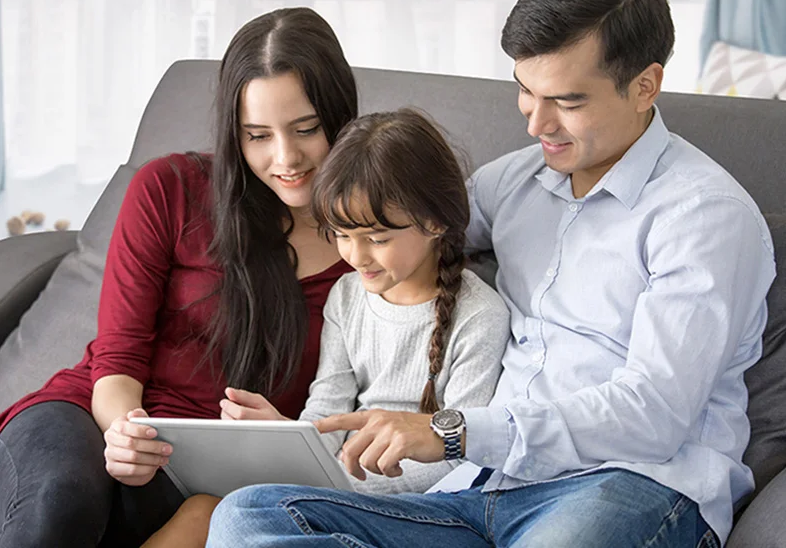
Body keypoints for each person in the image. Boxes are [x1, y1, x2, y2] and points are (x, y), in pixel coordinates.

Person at [205, 0, 776, 548]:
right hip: (480, 493)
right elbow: (398, 232)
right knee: (248, 517)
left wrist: (451, 432)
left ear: (645, 86)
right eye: (526, 90)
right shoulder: (518, 182)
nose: (536, 122)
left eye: (568, 101)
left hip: (628, 487)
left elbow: (653, 416)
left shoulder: (706, 217)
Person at [0, 7, 358, 548]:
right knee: (59, 505)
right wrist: (125, 431)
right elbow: (117, 358)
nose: (285, 158)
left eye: (306, 129)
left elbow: (363, 409)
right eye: (257, 136)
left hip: (222, 477)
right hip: (101, 418)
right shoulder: (170, 187)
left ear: (340, 114)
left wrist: (285, 435)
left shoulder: (374, 242)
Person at [141, 108, 510, 547]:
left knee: (239, 515)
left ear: (434, 223)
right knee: (203, 507)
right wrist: (288, 436)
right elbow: (328, 409)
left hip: (412, 506)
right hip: (335, 486)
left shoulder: (480, 316)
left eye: (376, 239)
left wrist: (337, 485)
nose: (356, 256)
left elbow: (455, 458)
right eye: (340, 233)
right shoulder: (348, 295)